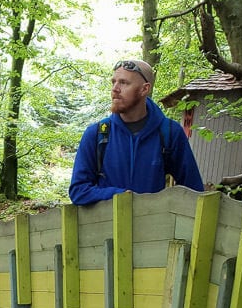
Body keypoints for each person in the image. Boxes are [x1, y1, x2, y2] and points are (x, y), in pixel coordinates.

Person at [68, 59, 204, 206]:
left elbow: (194, 193)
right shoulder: (97, 134)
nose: (115, 88)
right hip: (105, 227)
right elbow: (78, 191)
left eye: (124, 83)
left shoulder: (169, 133)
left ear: (144, 89)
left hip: (154, 226)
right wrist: (118, 195)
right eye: (113, 82)